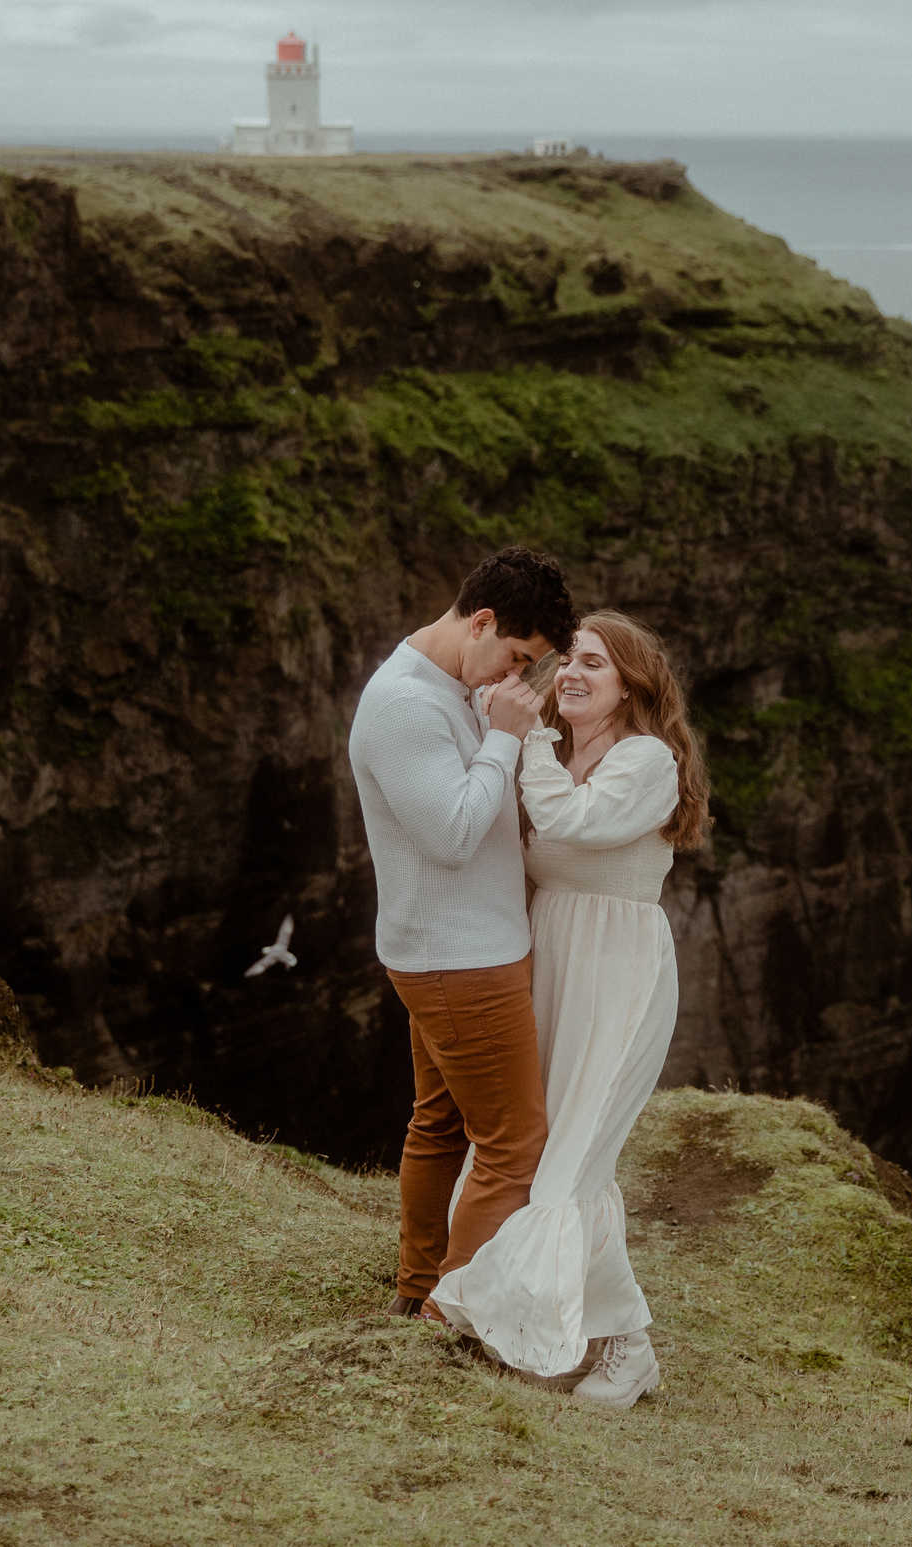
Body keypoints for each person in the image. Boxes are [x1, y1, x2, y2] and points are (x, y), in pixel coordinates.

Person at [428, 609, 712, 1409]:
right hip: (548, 958)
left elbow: (569, 821)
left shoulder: (646, 758)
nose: (573, 674)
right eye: (569, 661)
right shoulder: (556, 749)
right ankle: (591, 1333)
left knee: (574, 1160)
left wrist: (528, 739)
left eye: (595, 662)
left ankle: (627, 1348)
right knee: (540, 1148)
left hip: (617, 972)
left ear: (632, 683)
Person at [347, 546, 578, 1328]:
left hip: (460, 950)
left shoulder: (450, 687)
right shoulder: (405, 704)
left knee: (441, 1123)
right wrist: (506, 737)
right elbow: (450, 831)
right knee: (516, 1142)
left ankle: (418, 1290)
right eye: (516, 656)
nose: (517, 678)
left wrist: (498, 727)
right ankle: (453, 1317)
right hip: (459, 961)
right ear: (480, 622)